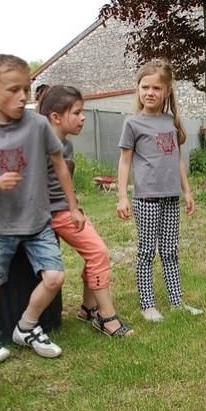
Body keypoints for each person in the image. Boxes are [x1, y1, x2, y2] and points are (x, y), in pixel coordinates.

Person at [0, 54, 85, 363]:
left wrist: (74, 207)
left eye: (26, 90)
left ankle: (26, 326)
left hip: (37, 222)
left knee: (55, 277)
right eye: (13, 90)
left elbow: (60, 166)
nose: (22, 97)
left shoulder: (38, 125)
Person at [37, 85, 133, 337]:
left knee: (96, 254)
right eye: (77, 112)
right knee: (99, 252)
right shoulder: (39, 143)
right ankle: (106, 318)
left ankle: (88, 308)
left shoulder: (66, 145)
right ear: (56, 117)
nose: (83, 118)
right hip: (53, 215)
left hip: (68, 210)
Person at [117, 58, 203, 322]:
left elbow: (177, 159)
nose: (150, 92)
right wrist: (122, 196)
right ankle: (147, 304)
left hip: (170, 197)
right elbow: (125, 161)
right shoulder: (133, 124)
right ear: (138, 90)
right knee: (146, 252)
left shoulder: (171, 122)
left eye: (156, 88)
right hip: (146, 198)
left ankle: (177, 302)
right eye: (145, 87)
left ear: (166, 92)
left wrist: (186, 191)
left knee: (169, 251)